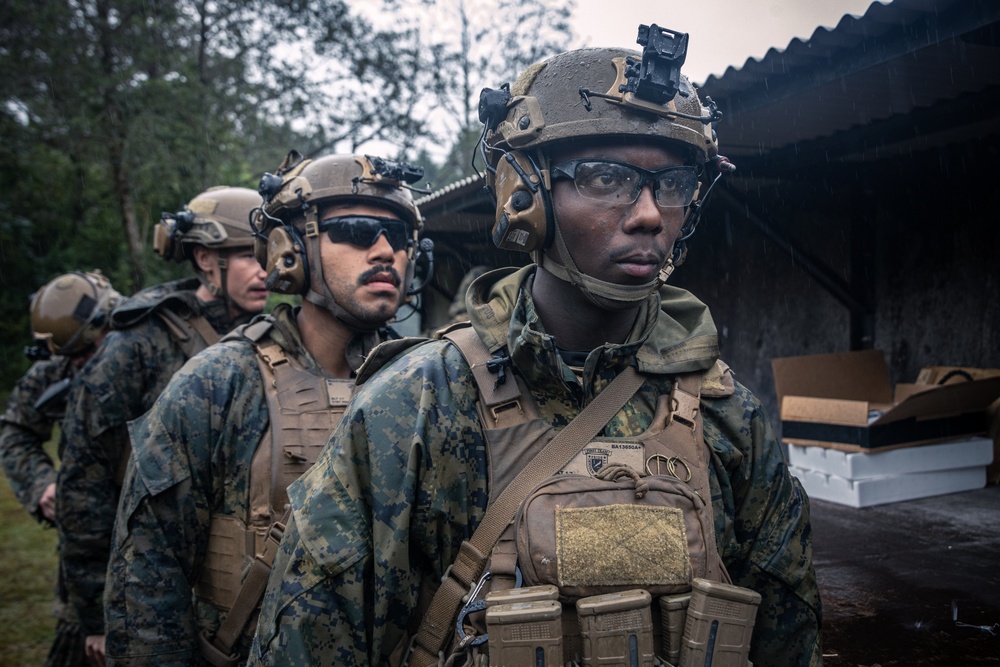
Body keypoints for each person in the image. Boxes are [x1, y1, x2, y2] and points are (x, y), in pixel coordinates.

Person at [250, 26, 822, 667]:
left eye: (673, 184)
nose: (650, 215)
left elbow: (788, 637)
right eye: (607, 178)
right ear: (523, 196)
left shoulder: (727, 414)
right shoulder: (417, 405)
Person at [104, 152, 428, 667]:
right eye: (357, 230)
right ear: (289, 248)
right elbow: (147, 579)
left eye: (399, 236)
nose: (387, 250)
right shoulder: (218, 383)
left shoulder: (428, 382)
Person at [57, 186, 267, 667]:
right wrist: (94, 613)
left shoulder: (274, 339)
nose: (263, 268)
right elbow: (85, 481)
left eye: (266, 252)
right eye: (245, 255)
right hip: (139, 574)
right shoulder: (138, 345)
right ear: (203, 257)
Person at [0, 270, 122, 667]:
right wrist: (41, 485)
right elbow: (15, 429)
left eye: (87, 350)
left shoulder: (150, 355)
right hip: (87, 547)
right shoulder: (60, 366)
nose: (82, 364)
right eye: (72, 357)